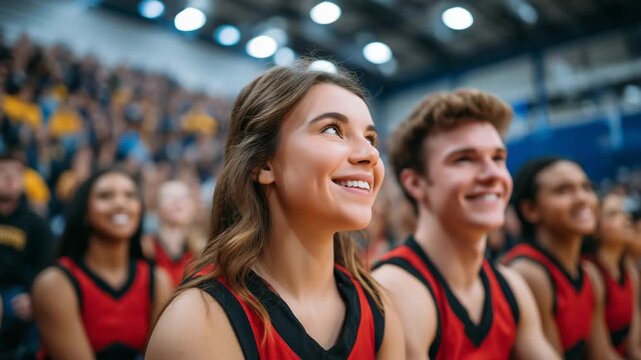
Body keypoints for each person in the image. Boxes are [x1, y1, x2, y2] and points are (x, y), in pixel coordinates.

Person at [145, 62, 405, 359]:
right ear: (264, 164)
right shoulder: (197, 321)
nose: (371, 154)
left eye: (371, 139)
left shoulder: (379, 308)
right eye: (333, 129)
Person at [373, 89, 558, 359]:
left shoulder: (511, 286)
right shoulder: (395, 289)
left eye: (498, 158)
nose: (493, 174)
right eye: (464, 159)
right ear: (415, 183)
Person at [32, 168, 173, 359]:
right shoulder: (55, 283)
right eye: (106, 196)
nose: (120, 203)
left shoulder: (157, 280)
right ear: (85, 212)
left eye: (130, 196)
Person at [502, 157, 620, 359]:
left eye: (586, 187)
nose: (582, 198)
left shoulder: (590, 274)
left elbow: (603, 354)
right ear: (530, 210)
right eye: (563, 190)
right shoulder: (529, 273)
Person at [0, 153, 54, 358]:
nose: (10, 178)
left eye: (16, 173)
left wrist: (34, 297)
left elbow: (47, 268)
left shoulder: (37, 223)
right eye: (3, 172)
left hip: (20, 298)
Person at [583, 191, 641, 358]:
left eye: (624, 212)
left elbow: (633, 346)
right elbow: (600, 353)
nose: (626, 218)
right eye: (613, 214)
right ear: (595, 227)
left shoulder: (629, 271)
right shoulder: (590, 272)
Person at [142, 180, 204, 287]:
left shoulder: (204, 251)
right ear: (156, 207)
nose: (177, 201)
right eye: (168, 196)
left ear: (193, 206)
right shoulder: (145, 247)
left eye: (184, 197)